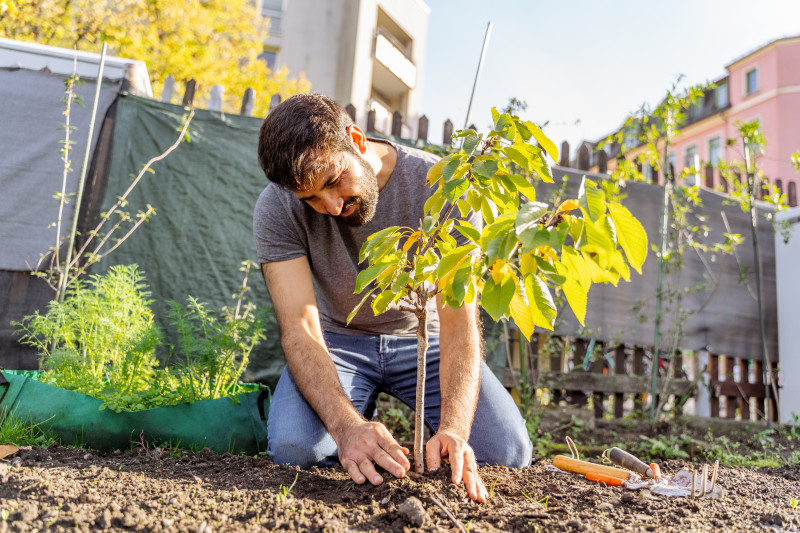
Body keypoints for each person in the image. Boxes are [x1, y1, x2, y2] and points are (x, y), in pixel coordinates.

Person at [253, 94, 532, 503]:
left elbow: (459, 323)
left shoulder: (443, 188)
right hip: (337, 343)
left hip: (428, 341)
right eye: (310, 198)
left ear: (356, 139)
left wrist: (453, 427)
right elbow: (300, 329)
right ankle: (357, 423)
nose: (329, 206)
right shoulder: (277, 207)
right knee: (297, 450)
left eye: (333, 181)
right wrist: (347, 428)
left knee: (506, 451)